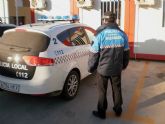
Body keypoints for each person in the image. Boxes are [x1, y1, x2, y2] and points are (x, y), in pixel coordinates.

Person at [88, 11, 130, 119]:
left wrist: (91, 68)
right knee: (117, 88)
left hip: (103, 69)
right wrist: (124, 65)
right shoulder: (122, 34)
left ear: (104, 20)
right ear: (115, 20)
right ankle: (118, 110)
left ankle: (101, 113)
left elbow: (93, 54)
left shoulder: (99, 34)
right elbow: (126, 53)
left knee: (102, 91)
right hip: (117, 68)